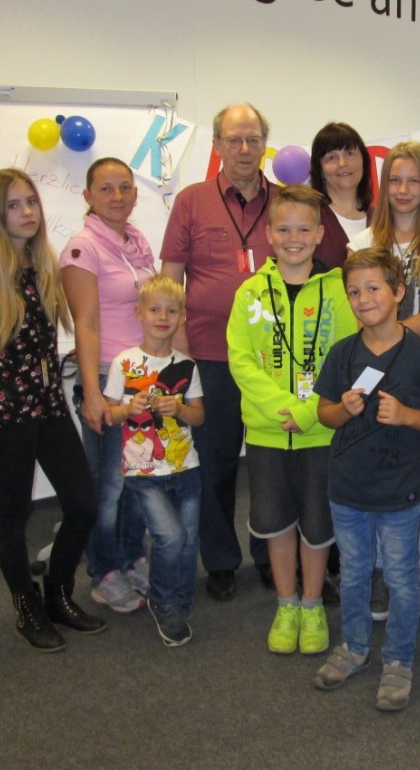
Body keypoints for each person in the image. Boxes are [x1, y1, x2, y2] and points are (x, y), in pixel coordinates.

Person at [0, 169, 105, 652]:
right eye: (15, 205)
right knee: (14, 517)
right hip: (5, 413)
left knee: (83, 504)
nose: (27, 213)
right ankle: (26, 605)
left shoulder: (42, 267)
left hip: (49, 404)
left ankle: (57, 593)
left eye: (32, 203)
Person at [311, 247, 420, 711]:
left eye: (373, 288)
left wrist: (408, 416)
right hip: (346, 490)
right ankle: (353, 647)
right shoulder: (342, 353)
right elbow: (323, 412)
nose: (364, 298)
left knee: (403, 579)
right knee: (352, 574)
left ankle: (398, 660)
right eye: (354, 291)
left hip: (400, 493)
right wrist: (340, 409)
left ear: (398, 292)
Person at [227, 185, 358, 656]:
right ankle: (286, 604)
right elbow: (241, 360)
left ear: (320, 233)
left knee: (318, 524)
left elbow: (345, 358)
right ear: (268, 234)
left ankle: (311, 603)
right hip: (267, 431)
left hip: (320, 430)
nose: (294, 237)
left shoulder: (338, 292)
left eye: (304, 228)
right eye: (283, 228)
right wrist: (283, 409)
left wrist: (308, 411)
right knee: (276, 522)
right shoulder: (249, 294)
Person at [160, 103, 273, 602]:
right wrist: (176, 350)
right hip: (209, 354)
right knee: (217, 464)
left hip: (275, 359)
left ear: (264, 143)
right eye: (235, 139)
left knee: (271, 464)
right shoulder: (191, 201)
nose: (244, 149)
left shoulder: (287, 202)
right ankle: (222, 561)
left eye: (253, 139)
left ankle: (272, 555)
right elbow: (170, 279)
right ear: (217, 145)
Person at [349, 140, 420, 617]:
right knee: (373, 470)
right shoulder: (359, 242)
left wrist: (389, 333)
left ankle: (404, 571)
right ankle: (375, 570)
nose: (403, 189)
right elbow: (354, 311)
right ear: (383, 185)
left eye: (414, 180)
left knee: (415, 477)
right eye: (395, 179)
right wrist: (379, 336)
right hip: (367, 372)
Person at [60, 157, 155, 614]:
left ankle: (133, 557)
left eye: (125, 187)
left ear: (135, 193)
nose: (117, 197)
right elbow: (87, 323)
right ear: (88, 196)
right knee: (108, 486)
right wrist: (94, 395)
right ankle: (103, 572)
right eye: (106, 189)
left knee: (139, 477)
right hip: (106, 380)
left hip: (143, 378)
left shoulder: (137, 243)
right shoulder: (82, 249)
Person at [103, 274, 205, 647]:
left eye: (172, 310)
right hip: (143, 472)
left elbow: (199, 417)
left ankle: (180, 599)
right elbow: (109, 415)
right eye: (154, 309)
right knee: (170, 536)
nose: (163, 316)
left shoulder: (187, 365)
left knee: (189, 541)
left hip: (186, 468)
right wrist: (129, 407)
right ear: (139, 313)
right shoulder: (124, 362)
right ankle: (164, 604)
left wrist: (177, 407)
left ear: (182, 317)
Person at [310, 121, 373, 269]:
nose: (342, 163)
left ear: (364, 160)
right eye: (331, 157)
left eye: (350, 153)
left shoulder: (382, 218)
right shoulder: (311, 217)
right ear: (320, 169)